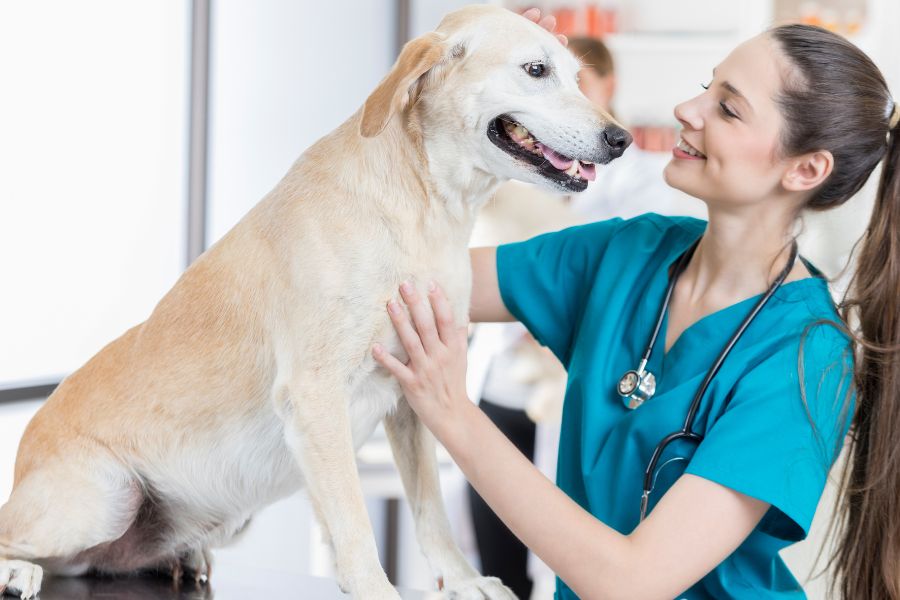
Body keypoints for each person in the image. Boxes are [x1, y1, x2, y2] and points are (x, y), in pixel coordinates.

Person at [373, 9, 900, 600]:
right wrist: (466, 78)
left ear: (806, 169)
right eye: (707, 87)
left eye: (727, 107)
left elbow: (631, 582)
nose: (687, 110)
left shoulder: (806, 357)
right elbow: (398, 280)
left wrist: (451, 411)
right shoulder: (628, 252)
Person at [463, 35, 703, 600]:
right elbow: (455, 266)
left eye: (579, 85)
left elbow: (615, 280)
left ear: (609, 89)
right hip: (500, 378)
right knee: (494, 557)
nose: (564, 105)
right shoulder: (506, 163)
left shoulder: (651, 196)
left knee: (566, 555)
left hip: (579, 384)